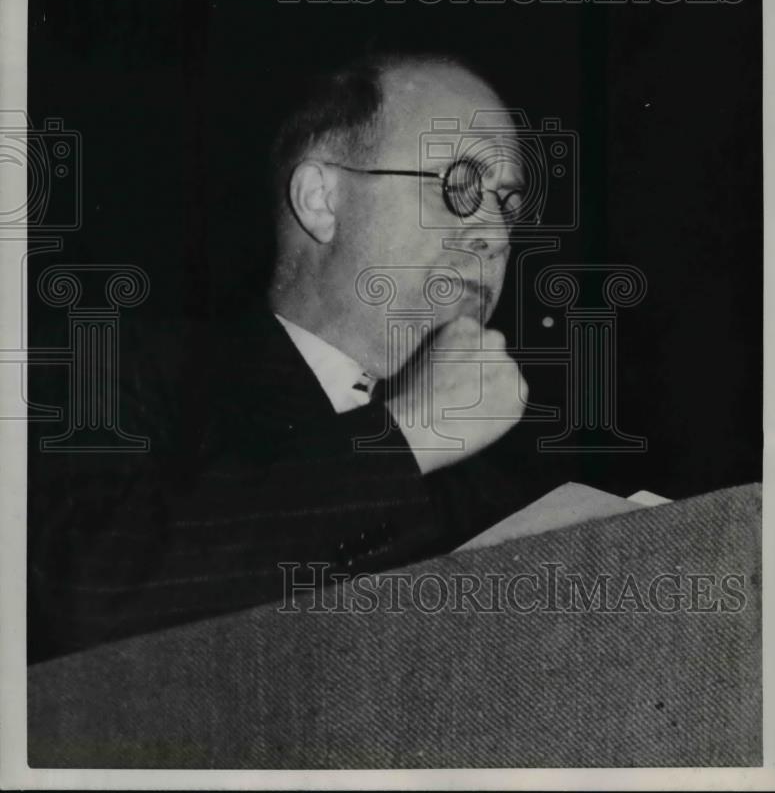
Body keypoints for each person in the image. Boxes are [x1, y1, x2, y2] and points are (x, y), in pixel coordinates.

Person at [28, 52, 530, 661]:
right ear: (321, 200)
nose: (496, 237)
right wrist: (405, 438)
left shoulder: (494, 493)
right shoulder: (111, 369)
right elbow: (83, 603)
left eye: (506, 202)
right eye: (460, 186)